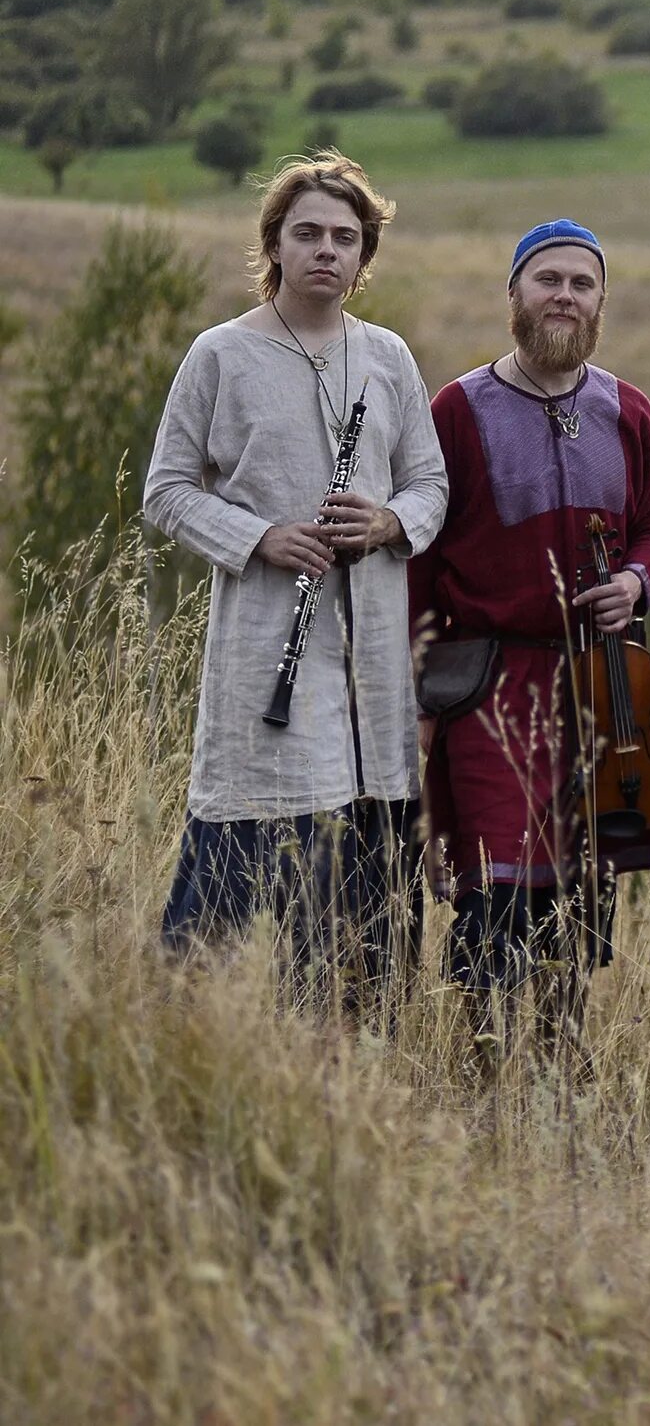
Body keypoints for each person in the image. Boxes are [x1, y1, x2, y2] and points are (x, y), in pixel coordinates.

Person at [142, 151, 447, 1009]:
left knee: (368, 877)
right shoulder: (221, 354)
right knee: (240, 855)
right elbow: (165, 489)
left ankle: (351, 1043)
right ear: (273, 243)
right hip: (265, 650)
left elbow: (431, 483)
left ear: (364, 255)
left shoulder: (387, 356)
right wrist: (259, 537)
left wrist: (389, 522)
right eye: (307, 232)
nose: (326, 250)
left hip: (374, 658)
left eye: (345, 237)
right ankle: (189, 1035)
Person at [407, 219, 650, 1061]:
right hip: (487, 685)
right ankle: (484, 1071)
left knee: (579, 888)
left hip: (603, 692)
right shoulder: (455, 410)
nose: (565, 296)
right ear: (514, 296)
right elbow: (418, 557)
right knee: (497, 889)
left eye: (582, 283)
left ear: (600, 303)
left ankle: (560, 1072)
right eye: (548, 280)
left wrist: (637, 580)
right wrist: (415, 700)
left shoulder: (627, 410)